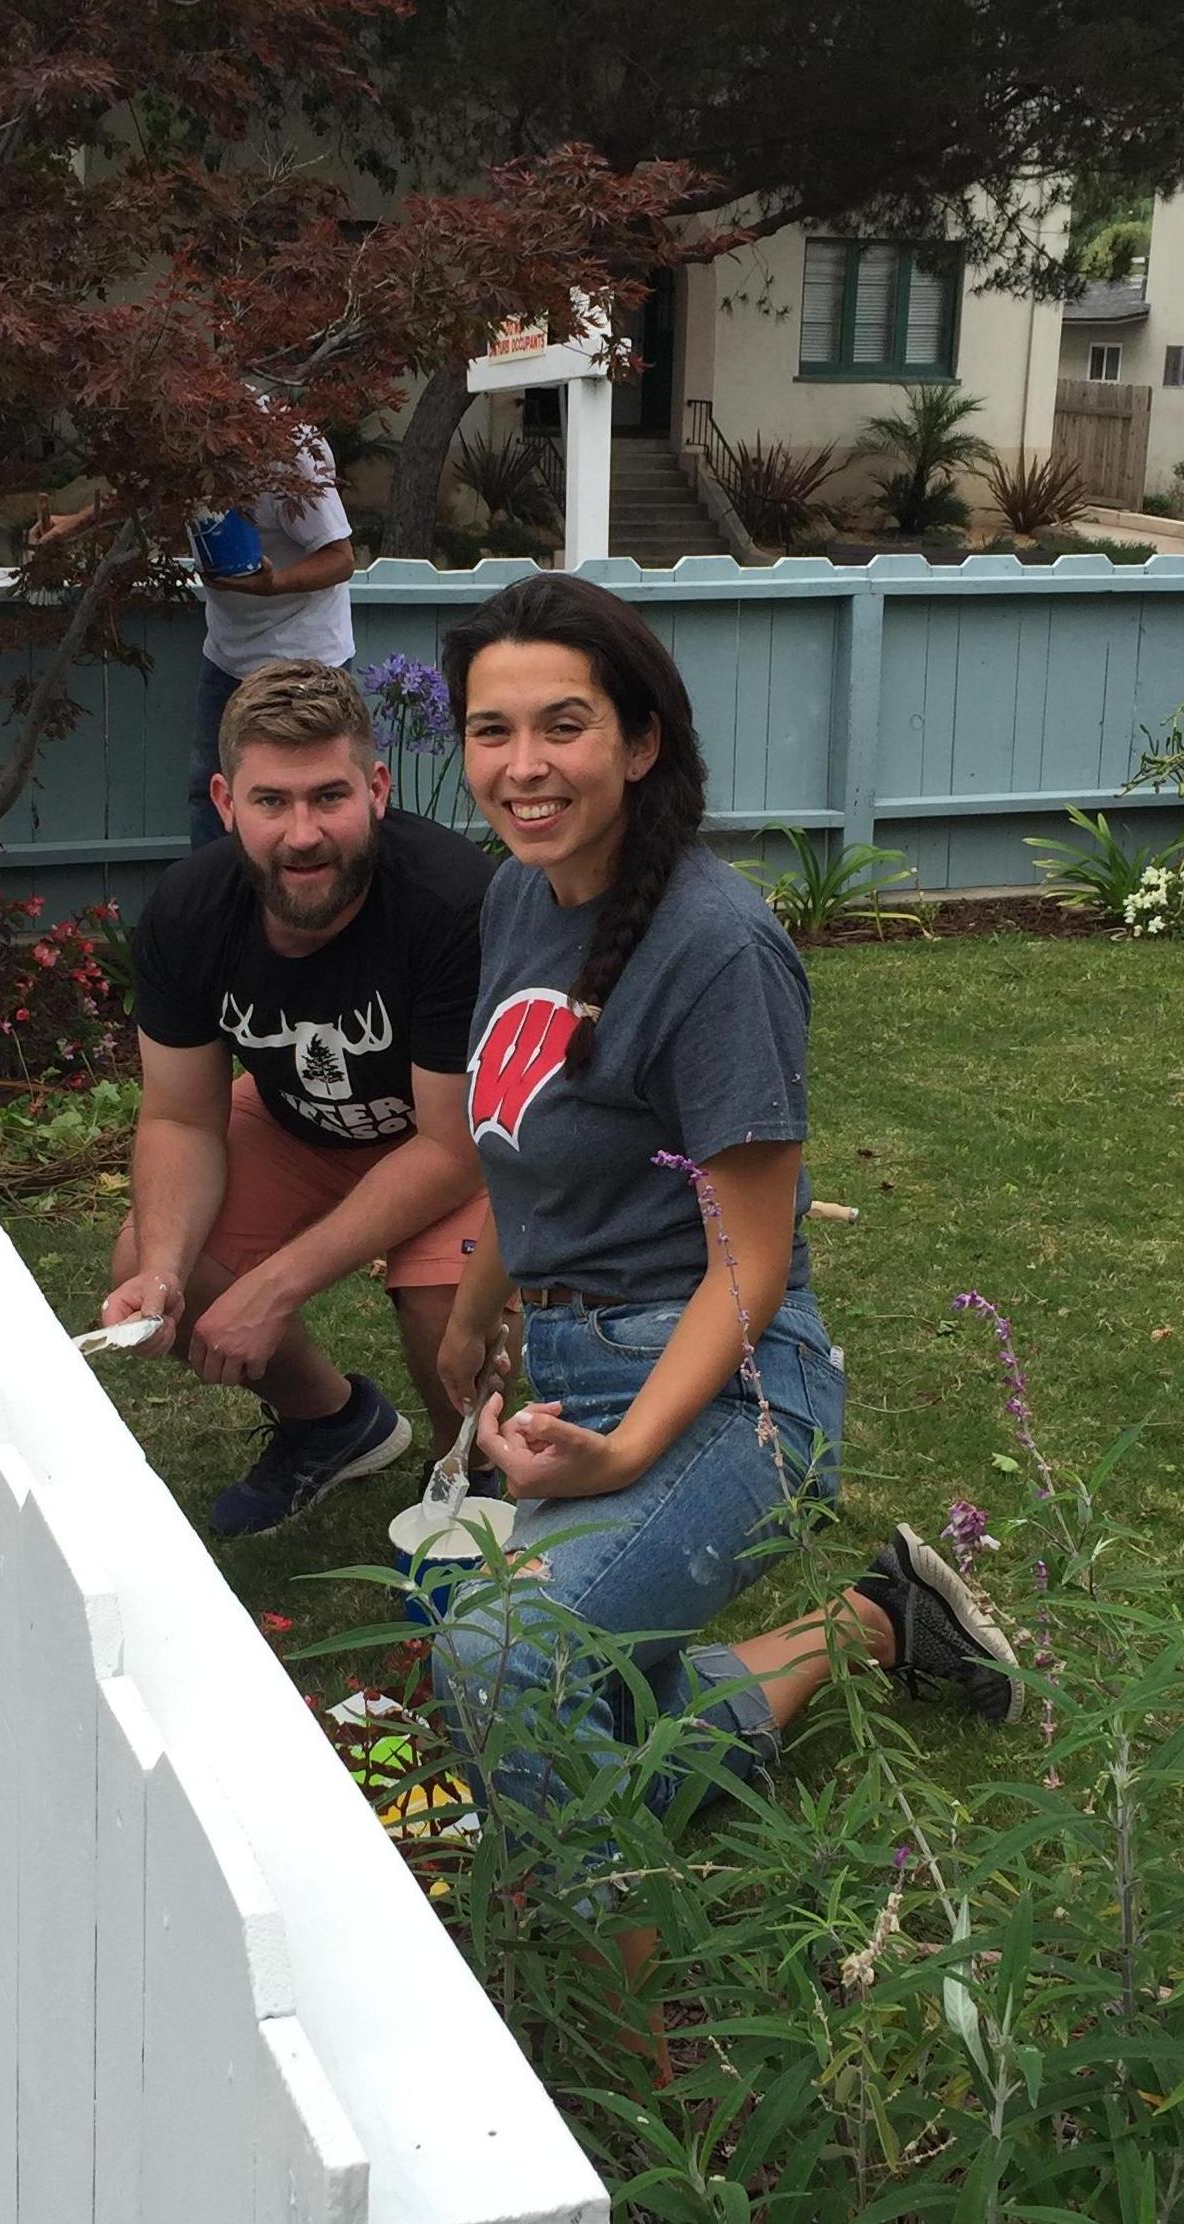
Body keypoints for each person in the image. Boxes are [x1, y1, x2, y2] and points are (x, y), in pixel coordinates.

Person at [431, 573, 1021, 1826]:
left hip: (733, 1398)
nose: (522, 765)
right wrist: (475, 1305)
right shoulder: (514, 897)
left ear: (639, 742)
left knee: (501, 1657)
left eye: (563, 725)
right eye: (492, 730)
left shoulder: (715, 947)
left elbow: (748, 1262)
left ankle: (616, 1994)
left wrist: (630, 1445)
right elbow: (522, 1139)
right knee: (548, 1697)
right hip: (568, 1368)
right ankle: (876, 1621)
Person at [99, 660, 493, 1537]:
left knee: (443, 1308)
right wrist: (167, 1271)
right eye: (272, 801)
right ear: (226, 799)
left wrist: (274, 1287)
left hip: (443, 1143)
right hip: (296, 1127)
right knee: (152, 1260)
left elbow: (452, 1148)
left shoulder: (451, 903)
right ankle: (335, 1420)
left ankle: (469, 1467)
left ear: (378, 788)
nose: (302, 833)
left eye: (329, 797)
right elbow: (178, 1117)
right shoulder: (188, 910)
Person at [32, 424, 356, 851]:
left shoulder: (289, 452)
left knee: (299, 796)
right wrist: (74, 524)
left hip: (302, 657)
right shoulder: (177, 432)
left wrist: (273, 584)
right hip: (227, 654)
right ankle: (213, 907)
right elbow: (143, 493)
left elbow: (341, 558)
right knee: (209, 792)